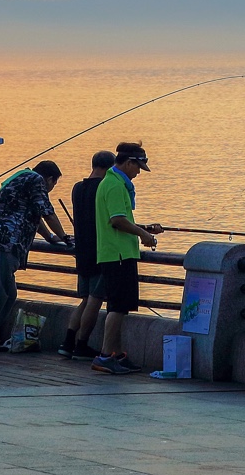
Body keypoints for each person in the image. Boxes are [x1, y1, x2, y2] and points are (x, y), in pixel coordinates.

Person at [0, 161, 68, 351]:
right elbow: (47, 212)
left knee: (9, 294)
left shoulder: (21, 178)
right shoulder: (36, 180)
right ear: (50, 179)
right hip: (5, 244)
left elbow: (34, 215)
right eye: (54, 184)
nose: (50, 189)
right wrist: (65, 237)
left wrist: (50, 237)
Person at [91, 142, 162, 375]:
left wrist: (144, 228)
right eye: (138, 167)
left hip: (117, 253)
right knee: (118, 307)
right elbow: (117, 220)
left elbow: (121, 219)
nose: (139, 172)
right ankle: (105, 356)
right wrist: (143, 235)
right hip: (118, 254)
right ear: (129, 162)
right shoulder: (114, 185)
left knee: (119, 307)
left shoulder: (113, 182)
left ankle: (117, 355)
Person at [59, 150, 114, 360]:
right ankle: (82, 344)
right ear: (110, 168)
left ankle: (68, 342)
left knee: (84, 300)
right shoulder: (104, 187)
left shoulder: (77, 188)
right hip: (99, 250)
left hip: (81, 250)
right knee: (95, 299)